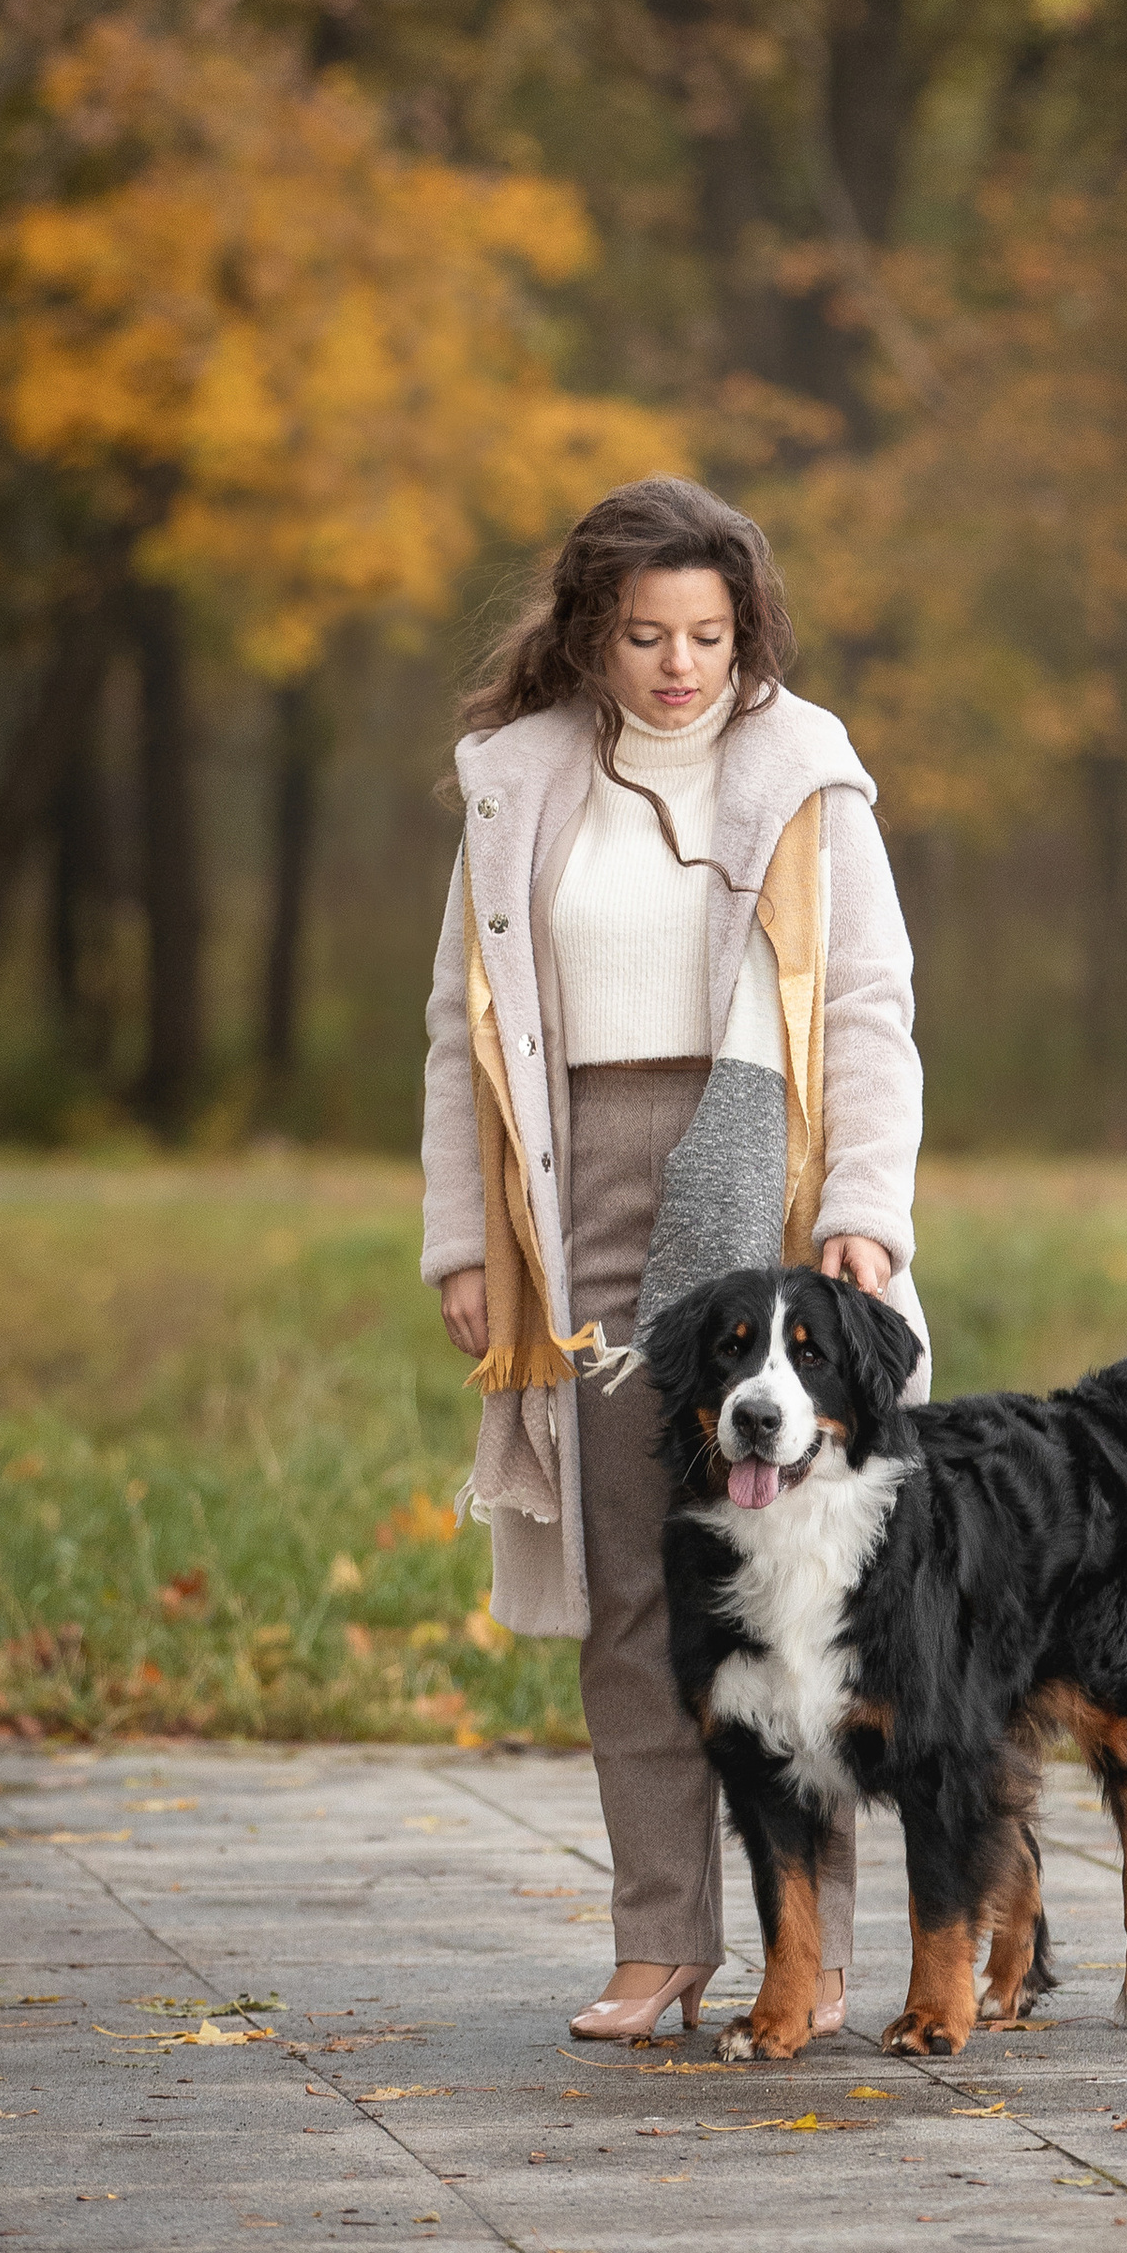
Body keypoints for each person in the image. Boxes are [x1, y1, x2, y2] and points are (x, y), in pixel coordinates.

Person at [420, 474, 925, 2043]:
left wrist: (864, 1205)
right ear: (591, 635)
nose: (680, 666)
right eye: (646, 636)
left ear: (745, 631)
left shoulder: (808, 776)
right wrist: (467, 1241)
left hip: (768, 1199)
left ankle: (815, 1955)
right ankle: (660, 1944)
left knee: (799, 1600)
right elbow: (465, 1035)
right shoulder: (518, 785)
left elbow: (865, 1012)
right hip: (574, 1204)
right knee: (635, 1589)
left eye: (708, 634)